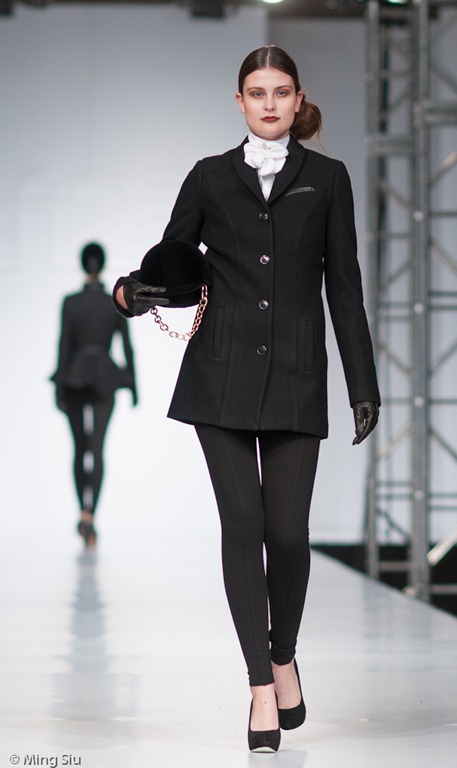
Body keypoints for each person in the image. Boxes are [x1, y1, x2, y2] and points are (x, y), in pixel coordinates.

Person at [113, 46, 380, 752]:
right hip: (219, 377)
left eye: (281, 92)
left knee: (288, 534)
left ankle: (283, 653)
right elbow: (173, 265)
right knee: (243, 528)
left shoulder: (327, 178)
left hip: (296, 375)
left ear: (298, 99)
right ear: (239, 101)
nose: (269, 103)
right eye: (257, 92)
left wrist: (362, 384)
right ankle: (261, 684)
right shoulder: (208, 176)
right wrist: (129, 293)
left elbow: (344, 286)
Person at [51, 242, 137, 547]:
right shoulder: (111, 303)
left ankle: (83, 512)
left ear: (82, 264)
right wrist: (133, 384)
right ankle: (90, 515)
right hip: (104, 375)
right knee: (97, 449)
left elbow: (64, 345)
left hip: (74, 376)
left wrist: (59, 385)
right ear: (102, 264)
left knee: (80, 448)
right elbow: (126, 345)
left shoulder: (71, 302)